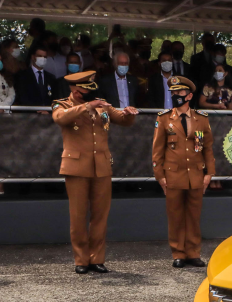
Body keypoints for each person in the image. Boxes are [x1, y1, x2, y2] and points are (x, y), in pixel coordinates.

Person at [51, 70, 137, 274]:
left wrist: (127, 113)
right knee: (79, 216)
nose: (88, 94)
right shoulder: (62, 104)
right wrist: (87, 106)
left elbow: (120, 119)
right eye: (84, 90)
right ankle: (81, 260)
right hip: (77, 167)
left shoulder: (102, 104)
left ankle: (96, 259)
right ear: (75, 89)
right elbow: (60, 119)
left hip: (102, 166)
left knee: (100, 215)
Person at [151, 76, 215, 267]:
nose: (175, 95)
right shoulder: (164, 118)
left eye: (179, 92)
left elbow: (208, 148)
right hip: (173, 175)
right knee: (176, 215)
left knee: (194, 216)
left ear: (189, 96)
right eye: (173, 92)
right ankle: (178, 253)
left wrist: (209, 173)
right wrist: (160, 176)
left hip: (196, 174)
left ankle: (193, 253)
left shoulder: (201, 119)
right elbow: (157, 150)